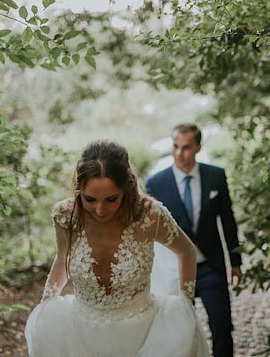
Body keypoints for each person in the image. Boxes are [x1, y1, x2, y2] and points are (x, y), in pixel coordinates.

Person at [25, 139, 209, 356]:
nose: (100, 210)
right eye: (90, 199)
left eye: (111, 199)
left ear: (126, 188)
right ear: (78, 190)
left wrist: (185, 303)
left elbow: (186, 251)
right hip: (80, 334)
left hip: (144, 333)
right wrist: (47, 302)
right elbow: (62, 258)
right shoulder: (66, 216)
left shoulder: (150, 216)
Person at [146, 123, 243, 357]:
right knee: (179, 332)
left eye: (186, 147)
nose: (179, 153)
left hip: (211, 266)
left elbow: (227, 221)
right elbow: (150, 233)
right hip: (175, 271)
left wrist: (236, 262)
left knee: (221, 327)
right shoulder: (156, 183)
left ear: (198, 147)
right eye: (175, 147)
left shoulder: (215, 176)